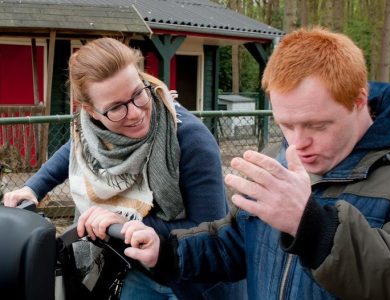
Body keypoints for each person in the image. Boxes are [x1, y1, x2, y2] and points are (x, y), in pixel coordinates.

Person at [121, 27, 390, 299]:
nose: (298, 143)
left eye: (318, 125)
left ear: (359, 100)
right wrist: (167, 251)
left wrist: (312, 226)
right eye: (286, 124)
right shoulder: (282, 161)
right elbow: (236, 244)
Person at [2, 38, 245, 299]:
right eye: (116, 107)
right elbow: (74, 149)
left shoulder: (190, 140)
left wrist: (128, 221)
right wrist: (32, 188)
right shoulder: (90, 132)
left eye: (139, 93)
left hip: (188, 280)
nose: (135, 112)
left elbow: (207, 229)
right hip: (131, 267)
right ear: (91, 112)